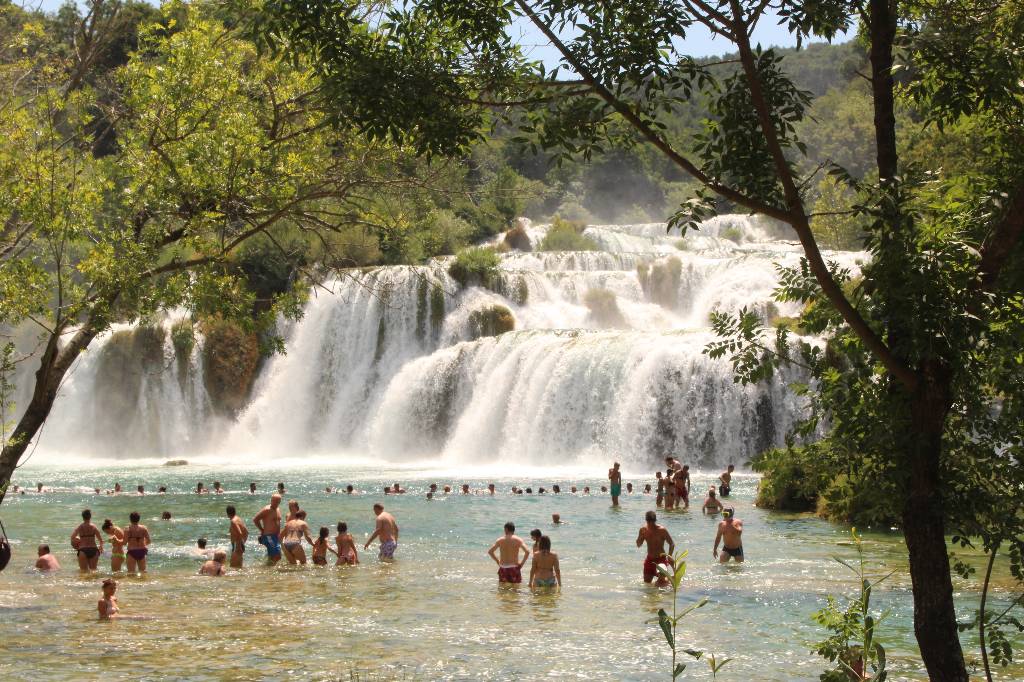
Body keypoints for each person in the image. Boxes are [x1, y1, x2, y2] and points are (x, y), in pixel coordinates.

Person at [637, 510, 675, 586]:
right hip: (649, 560)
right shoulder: (643, 530)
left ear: (655, 521)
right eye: (649, 523)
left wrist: (669, 556)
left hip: (661, 560)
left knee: (662, 585)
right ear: (646, 521)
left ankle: (671, 579)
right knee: (647, 584)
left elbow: (672, 544)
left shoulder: (662, 530)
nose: (651, 525)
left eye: (653, 523)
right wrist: (641, 536)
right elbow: (638, 545)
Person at [253, 493, 283, 564]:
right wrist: (262, 530)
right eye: (273, 500)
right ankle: (269, 569)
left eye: (277, 501)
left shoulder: (278, 509)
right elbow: (255, 519)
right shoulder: (267, 509)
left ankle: (267, 569)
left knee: (273, 556)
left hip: (276, 536)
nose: (274, 502)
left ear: (279, 502)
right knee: (277, 555)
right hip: (269, 536)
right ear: (271, 500)